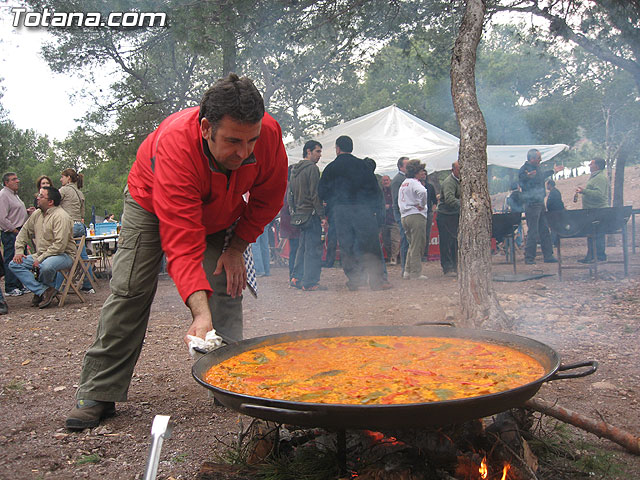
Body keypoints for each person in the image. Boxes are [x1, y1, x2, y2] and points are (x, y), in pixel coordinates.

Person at [65, 74, 288, 430]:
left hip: (221, 207)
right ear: (205, 128)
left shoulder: (269, 134)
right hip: (152, 202)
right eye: (232, 141)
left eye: (251, 141)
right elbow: (182, 242)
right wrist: (198, 316)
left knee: (224, 283)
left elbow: (269, 198)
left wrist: (237, 247)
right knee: (131, 289)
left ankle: (226, 382)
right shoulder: (176, 145)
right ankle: (98, 390)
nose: (244, 152)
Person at [318, 136, 390, 291]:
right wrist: (377, 213)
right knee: (370, 244)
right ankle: (378, 281)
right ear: (351, 148)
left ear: (337, 149)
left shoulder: (331, 168)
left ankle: (355, 279)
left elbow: (322, 192)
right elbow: (375, 191)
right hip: (363, 209)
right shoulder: (363, 166)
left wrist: (331, 206)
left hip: (341, 211)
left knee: (347, 246)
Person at [9, 186, 75, 309]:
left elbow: (59, 246)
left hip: (63, 255)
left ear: (50, 202)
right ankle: (43, 291)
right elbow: (23, 233)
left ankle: (41, 292)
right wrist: (18, 251)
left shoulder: (61, 216)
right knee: (14, 264)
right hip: (42, 254)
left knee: (46, 266)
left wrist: (40, 258)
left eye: (41, 196)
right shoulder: (37, 214)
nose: (37, 198)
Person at [289, 140, 328, 291]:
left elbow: (290, 195)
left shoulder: (294, 170)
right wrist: (322, 216)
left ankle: (296, 277)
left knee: (302, 247)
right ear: (308, 152)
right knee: (313, 249)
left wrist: (294, 211)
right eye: (317, 151)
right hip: (311, 215)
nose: (320, 155)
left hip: (300, 214)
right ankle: (310, 282)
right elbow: (315, 195)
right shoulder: (312, 168)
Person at [518, 149, 562, 265]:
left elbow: (542, 176)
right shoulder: (524, 170)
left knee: (544, 230)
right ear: (532, 159)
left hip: (540, 203)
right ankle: (529, 257)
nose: (540, 160)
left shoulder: (537, 168)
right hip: (532, 204)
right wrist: (528, 177)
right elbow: (521, 179)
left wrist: (553, 171)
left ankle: (548, 255)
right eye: (538, 158)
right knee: (533, 231)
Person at [58, 168, 94, 293]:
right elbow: (82, 213)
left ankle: (58, 287)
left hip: (69, 225)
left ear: (68, 178)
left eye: (62, 177)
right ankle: (89, 285)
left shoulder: (64, 190)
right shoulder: (80, 193)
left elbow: (54, 204)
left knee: (60, 253)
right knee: (83, 255)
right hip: (80, 226)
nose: (60, 179)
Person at [0, 172, 35, 297]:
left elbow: (13, 212)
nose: (17, 181)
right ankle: (11, 287)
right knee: (11, 259)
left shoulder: (14, 195)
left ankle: (20, 285)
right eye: (14, 179)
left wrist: (26, 212)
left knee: (22, 258)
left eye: (17, 179)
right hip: (11, 233)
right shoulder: (4, 195)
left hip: (20, 231)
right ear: (6, 183)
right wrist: (14, 230)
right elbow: (2, 218)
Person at [398, 160, 429, 280]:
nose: (422, 173)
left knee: (412, 244)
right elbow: (423, 192)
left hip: (405, 216)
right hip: (416, 215)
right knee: (418, 244)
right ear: (415, 172)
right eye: (420, 171)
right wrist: (421, 204)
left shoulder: (404, 183)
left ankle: (407, 270)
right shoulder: (414, 183)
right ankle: (416, 272)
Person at [576, 158, 609, 263]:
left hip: (598, 211)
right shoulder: (595, 177)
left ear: (597, 166)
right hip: (593, 211)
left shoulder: (599, 178)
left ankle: (599, 256)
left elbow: (599, 195)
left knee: (598, 234)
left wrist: (584, 191)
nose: (589, 165)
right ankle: (591, 256)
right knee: (592, 234)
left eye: (591, 164)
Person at [436, 161, 461, 276]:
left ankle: (455, 266)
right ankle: (447, 267)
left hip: (453, 215)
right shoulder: (449, 182)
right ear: (453, 170)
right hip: (445, 215)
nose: (461, 172)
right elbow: (449, 199)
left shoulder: (459, 181)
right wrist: (465, 205)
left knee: (454, 242)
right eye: (459, 169)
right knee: (446, 242)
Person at [279, 165, 300, 284]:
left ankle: (293, 275)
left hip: (289, 223)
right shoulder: (290, 186)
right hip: (293, 223)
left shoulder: (286, 185)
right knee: (295, 249)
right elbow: (288, 206)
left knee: (294, 249)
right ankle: (294, 275)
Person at [391, 157, 409, 271]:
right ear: (401, 167)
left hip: (405, 212)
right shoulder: (398, 179)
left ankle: (407, 266)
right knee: (405, 239)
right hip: (402, 213)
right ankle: (404, 267)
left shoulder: (405, 178)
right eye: (407, 165)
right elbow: (398, 199)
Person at [380, 175, 400, 264]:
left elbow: (398, 203)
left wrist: (390, 206)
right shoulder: (380, 193)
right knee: (386, 241)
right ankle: (389, 257)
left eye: (387, 180)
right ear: (381, 182)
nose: (385, 182)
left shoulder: (394, 191)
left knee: (395, 240)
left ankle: (394, 258)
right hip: (384, 220)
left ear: (390, 181)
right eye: (384, 180)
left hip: (394, 219)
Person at [421, 173, 438, 258]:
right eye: (422, 174)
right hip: (418, 214)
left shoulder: (430, 187)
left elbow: (434, 200)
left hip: (428, 213)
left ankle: (425, 254)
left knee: (427, 234)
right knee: (419, 234)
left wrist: (433, 210)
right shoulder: (416, 186)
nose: (423, 175)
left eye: (425, 174)